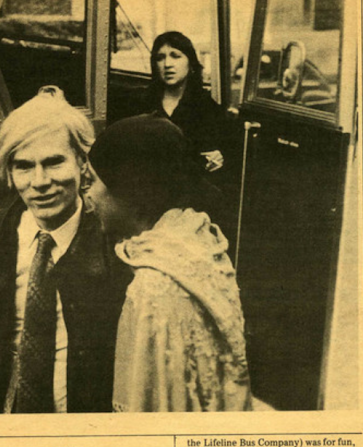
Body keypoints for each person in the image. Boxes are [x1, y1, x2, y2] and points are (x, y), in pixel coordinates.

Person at [0, 86, 131, 415]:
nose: (39, 182)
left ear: (83, 163)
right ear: (8, 172)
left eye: (53, 162)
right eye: (23, 166)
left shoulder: (115, 243)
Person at [84, 115, 252, 412]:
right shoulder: (197, 235)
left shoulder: (153, 289)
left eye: (92, 182)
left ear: (131, 191)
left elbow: (150, 407)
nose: (88, 196)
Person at [145, 31, 228, 174]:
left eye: (175, 56)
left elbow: (222, 150)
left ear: (191, 64)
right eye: (160, 58)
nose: (167, 64)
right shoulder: (141, 102)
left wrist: (219, 156)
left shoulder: (207, 108)